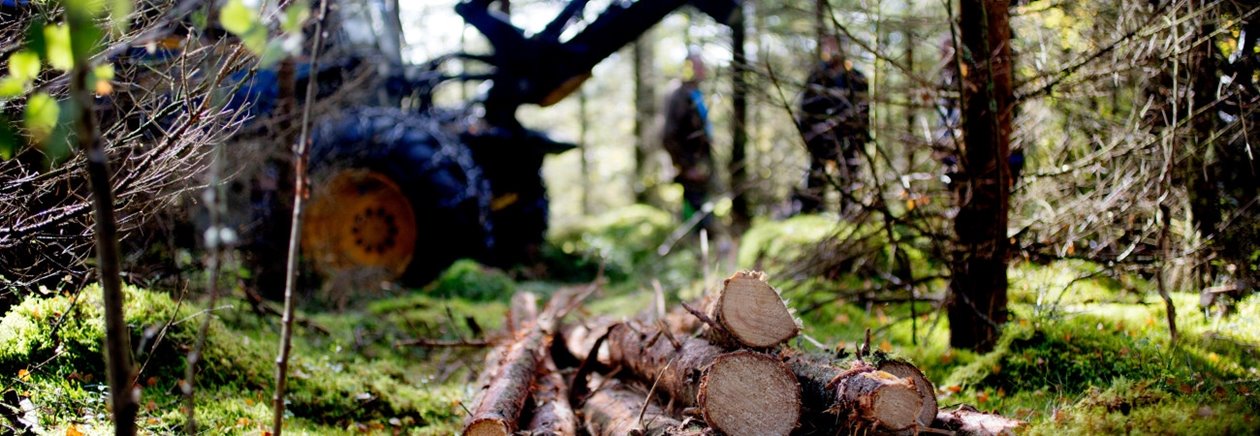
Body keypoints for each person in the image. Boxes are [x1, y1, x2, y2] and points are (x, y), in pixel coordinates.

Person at [795, 36, 870, 215]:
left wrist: (862, 138)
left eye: (837, 46)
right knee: (817, 176)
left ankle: (849, 214)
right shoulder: (816, 77)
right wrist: (811, 136)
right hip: (821, 140)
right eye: (829, 46)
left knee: (849, 178)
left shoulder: (857, 78)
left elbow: (865, 111)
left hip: (849, 139)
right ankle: (811, 212)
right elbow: (805, 110)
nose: (833, 50)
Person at [661, 52, 715, 231]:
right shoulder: (679, 95)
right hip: (689, 168)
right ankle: (695, 252)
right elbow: (668, 135)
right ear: (689, 68)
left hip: (700, 166)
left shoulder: (695, 93)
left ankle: (700, 249)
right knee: (696, 216)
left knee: (704, 211)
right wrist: (685, 166)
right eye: (699, 66)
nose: (704, 70)